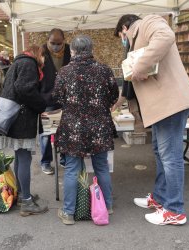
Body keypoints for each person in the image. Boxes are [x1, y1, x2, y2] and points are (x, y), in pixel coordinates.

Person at [114, 14, 189, 225]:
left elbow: (166, 35)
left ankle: (175, 210)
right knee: (160, 153)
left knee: (171, 157)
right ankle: (161, 199)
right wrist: (118, 101)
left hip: (170, 104)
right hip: (161, 108)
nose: (124, 40)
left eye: (122, 36)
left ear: (126, 27)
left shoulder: (149, 22)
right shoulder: (135, 39)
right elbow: (130, 82)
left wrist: (140, 66)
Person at [53, 35, 119, 225]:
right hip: (99, 126)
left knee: (72, 169)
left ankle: (68, 213)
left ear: (72, 51)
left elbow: (57, 97)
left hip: (73, 128)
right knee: (101, 167)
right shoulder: (104, 70)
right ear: (91, 50)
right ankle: (107, 206)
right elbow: (114, 95)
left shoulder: (65, 72)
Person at [0, 45, 48, 216]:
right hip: (22, 119)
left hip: (14, 117)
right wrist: (41, 104)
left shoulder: (19, 62)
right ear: (39, 54)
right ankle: (26, 202)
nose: (44, 60)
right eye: (44, 56)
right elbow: (25, 89)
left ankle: (22, 195)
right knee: (24, 158)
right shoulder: (29, 63)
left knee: (20, 156)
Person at [39, 28, 71, 175]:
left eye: (59, 43)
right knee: (46, 132)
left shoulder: (70, 51)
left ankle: (65, 158)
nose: (56, 46)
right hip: (47, 98)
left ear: (64, 40)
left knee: (65, 130)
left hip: (67, 98)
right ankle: (46, 162)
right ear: (48, 40)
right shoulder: (41, 52)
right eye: (53, 43)